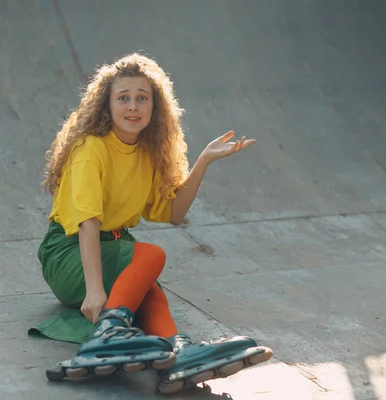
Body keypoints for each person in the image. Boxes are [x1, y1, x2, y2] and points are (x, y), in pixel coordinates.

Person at [29, 53, 273, 394]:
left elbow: (174, 214)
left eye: (142, 98)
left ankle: (178, 353)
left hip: (113, 247)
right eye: (123, 98)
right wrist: (96, 292)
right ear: (107, 106)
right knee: (151, 255)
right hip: (69, 254)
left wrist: (203, 161)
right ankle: (108, 334)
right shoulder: (91, 148)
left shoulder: (146, 153)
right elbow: (86, 224)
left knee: (151, 293)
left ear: (154, 107)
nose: (133, 106)